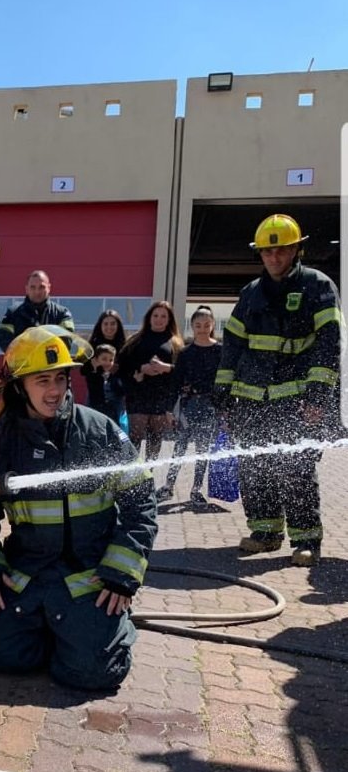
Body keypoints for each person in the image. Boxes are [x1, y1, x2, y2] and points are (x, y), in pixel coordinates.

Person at [0, 326, 158, 692]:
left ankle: (98, 630)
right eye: (42, 381)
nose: (54, 391)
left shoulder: (100, 432)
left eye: (60, 378)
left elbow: (140, 503)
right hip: (28, 575)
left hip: (90, 577)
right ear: (20, 385)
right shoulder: (4, 441)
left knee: (93, 674)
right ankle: (66, 632)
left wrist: (121, 575)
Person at [215, 214, 342, 566]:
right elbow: (233, 346)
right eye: (268, 252)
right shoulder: (250, 294)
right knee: (255, 468)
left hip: (298, 399)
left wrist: (319, 396)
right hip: (253, 399)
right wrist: (223, 391)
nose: (274, 258)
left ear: (297, 250)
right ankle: (266, 533)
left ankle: (306, 540)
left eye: (281, 251)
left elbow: (329, 344)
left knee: (296, 468)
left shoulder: (318, 286)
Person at [157, 306, 222, 507]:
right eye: (198, 325)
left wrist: (226, 408)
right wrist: (169, 410)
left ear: (212, 326)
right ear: (192, 327)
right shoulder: (185, 353)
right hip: (189, 406)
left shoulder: (221, 351)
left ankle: (196, 490)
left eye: (206, 325)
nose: (202, 329)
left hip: (210, 407)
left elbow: (225, 381)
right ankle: (168, 486)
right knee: (180, 447)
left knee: (203, 450)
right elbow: (175, 383)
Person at [117, 300, 182, 460]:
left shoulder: (175, 342)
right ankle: (134, 476)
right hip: (138, 397)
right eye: (156, 315)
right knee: (135, 440)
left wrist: (166, 367)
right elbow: (122, 366)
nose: (159, 319)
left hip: (162, 398)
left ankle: (150, 476)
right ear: (149, 317)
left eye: (163, 316)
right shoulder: (135, 340)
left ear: (169, 320)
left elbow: (183, 371)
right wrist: (140, 368)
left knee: (155, 441)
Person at [0, 270, 75, 352]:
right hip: (23, 364)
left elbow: (66, 341)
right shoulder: (12, 313)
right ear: (26, 289)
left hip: (53, 364)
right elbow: (5, 341)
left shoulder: (62, 314)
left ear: (49, 288)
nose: (37, 292)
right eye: (33, 287)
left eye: (42, 287)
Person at [82, 344, 127, 427]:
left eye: (111, 360)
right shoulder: (93, 375)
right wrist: (96, 369)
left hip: (113, 413)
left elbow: (121, 392)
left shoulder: (114, 376)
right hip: (96, 412)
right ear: (95, 360)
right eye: (104, 359)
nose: (108, 362)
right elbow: (95, 393)